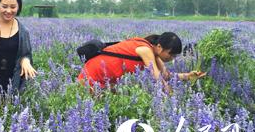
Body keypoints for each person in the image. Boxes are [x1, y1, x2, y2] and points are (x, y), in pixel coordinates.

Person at [77, 32, 206, 91]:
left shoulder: (155, 55)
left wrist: (188, 76)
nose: (171, 59)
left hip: (105, 82)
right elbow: (157, 78)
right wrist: (172, 97)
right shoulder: (146, 50)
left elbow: (165, 76)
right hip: (92, 77)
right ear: (160, 47)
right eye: (171, 54)